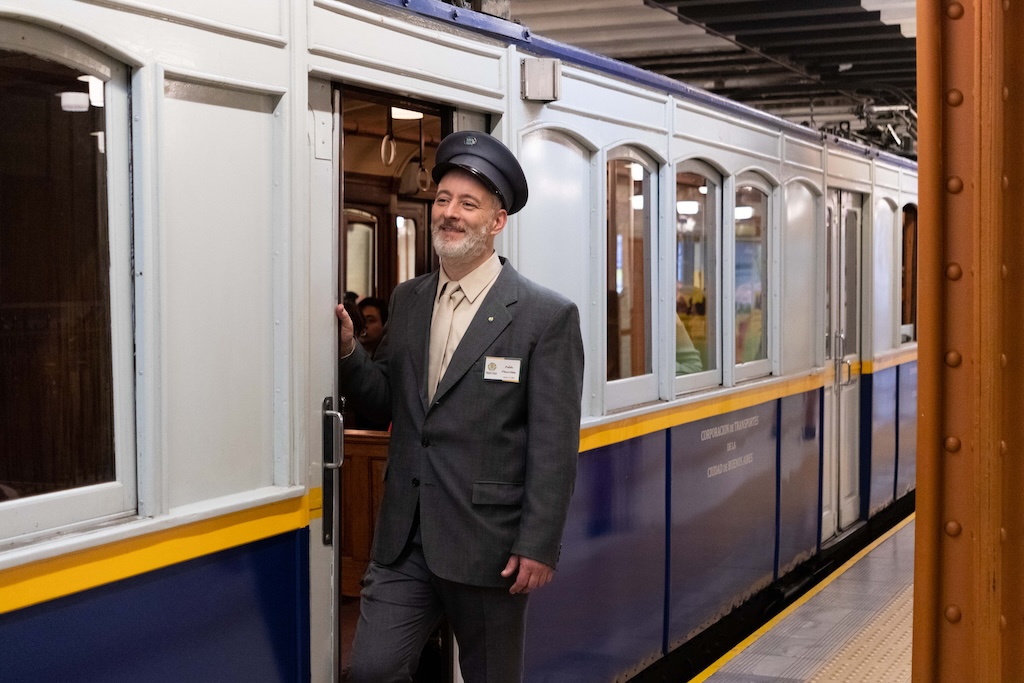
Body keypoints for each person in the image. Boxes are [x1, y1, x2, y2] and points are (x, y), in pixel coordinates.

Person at [335, 130, 585, 683]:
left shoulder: (544, 317)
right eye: (443, 200)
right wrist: (350, 350)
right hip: (405, 539)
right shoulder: (410, 298)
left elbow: (554, 444)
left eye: (468, 204)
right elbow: (383, 403)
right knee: (372, 669)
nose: (450, 213)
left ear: (496, 222)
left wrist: (538, 544)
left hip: (491, 547)